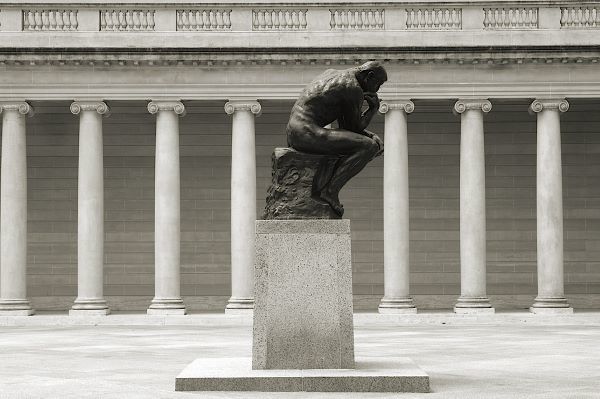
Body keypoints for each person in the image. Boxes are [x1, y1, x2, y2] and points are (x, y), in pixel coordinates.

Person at [286, 61, 387, 215]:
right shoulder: (352, 87)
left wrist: (370, 134)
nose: (377, 90)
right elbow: (353, 128)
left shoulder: (333, 73)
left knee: (362, 143)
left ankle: (323, 187)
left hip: (296, 130)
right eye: (378, 84)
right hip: (307, 133)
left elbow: (348, 127)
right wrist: (373, 109)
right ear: (369, 76)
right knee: (369, 147)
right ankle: (330, 191)